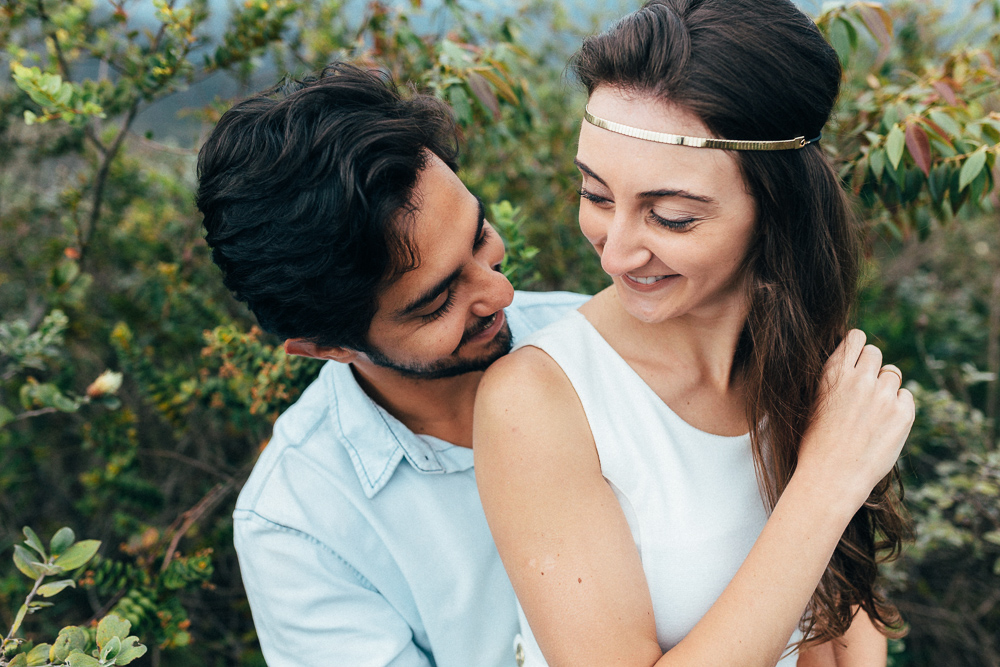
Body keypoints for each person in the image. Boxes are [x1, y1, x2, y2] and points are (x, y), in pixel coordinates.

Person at [473, 1, 913, 666]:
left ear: (774, 211)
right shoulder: (539, 401)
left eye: (672, 217)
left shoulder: (795, 345)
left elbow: (839, 617)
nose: (616, 253)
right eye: (595, 195)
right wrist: (826, 481)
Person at [196, 63, 586, 666]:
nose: (500, 294)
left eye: (480, 237)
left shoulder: (607, 341)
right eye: (437, 301)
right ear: (328, 345)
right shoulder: (299, 527)